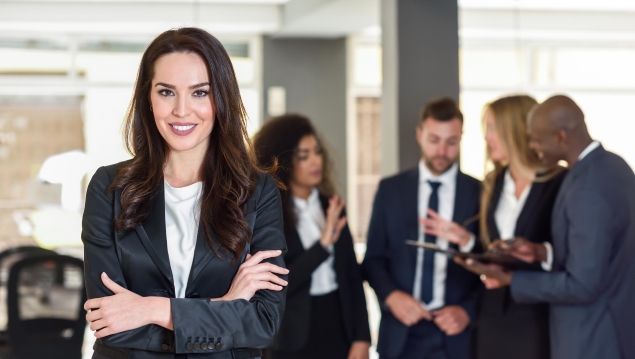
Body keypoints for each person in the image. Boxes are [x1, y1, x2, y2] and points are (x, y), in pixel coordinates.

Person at [81, 27, 288, 359]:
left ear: (221, 99)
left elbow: (263, 322)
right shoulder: (110, 188)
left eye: (199, 93)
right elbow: (109, 322)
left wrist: (151, 309)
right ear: (148, 99)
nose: (181, 110)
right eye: (166, 92)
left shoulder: (256, 191)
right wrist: (223, 306)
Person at [459, 95, 635, 359]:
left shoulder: (586, 187)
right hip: (606, 329)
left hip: (591, 338)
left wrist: (510, 279)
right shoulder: (612, 166)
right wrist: (541, 252)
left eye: (536, 139)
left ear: (561, 137)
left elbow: (583, 285)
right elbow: (597, 254)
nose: (532, 145)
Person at [423, 95, 566, 359]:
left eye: (492, 129)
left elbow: (566, 255)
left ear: (515, 131)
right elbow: (495, 251)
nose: (487, 138)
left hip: (538, 318)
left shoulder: (558, 182)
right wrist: (467, 241)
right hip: (491, 320)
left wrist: (537, 254)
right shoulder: (493, 182)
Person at [362, 98, 481, 359]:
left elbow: (492, 267)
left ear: (461, 138)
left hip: (457, 335)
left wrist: (467, 312)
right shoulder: (390, 190)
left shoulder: (480, 193)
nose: (442, 151)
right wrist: (392, 297)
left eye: (451, 142)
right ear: (419, 135)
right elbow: (372, 259)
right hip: (400, 333)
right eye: (434, 140)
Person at [253, 114, 371, 359]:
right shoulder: (269, 215)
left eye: (317, 152)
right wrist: (323, 244)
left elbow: (352, 276)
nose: (316, 161)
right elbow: (276, 284)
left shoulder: (333, 206)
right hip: (291, 337)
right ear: (283, 161)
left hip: (339, 326)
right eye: (303, 156)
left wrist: (362, 337)